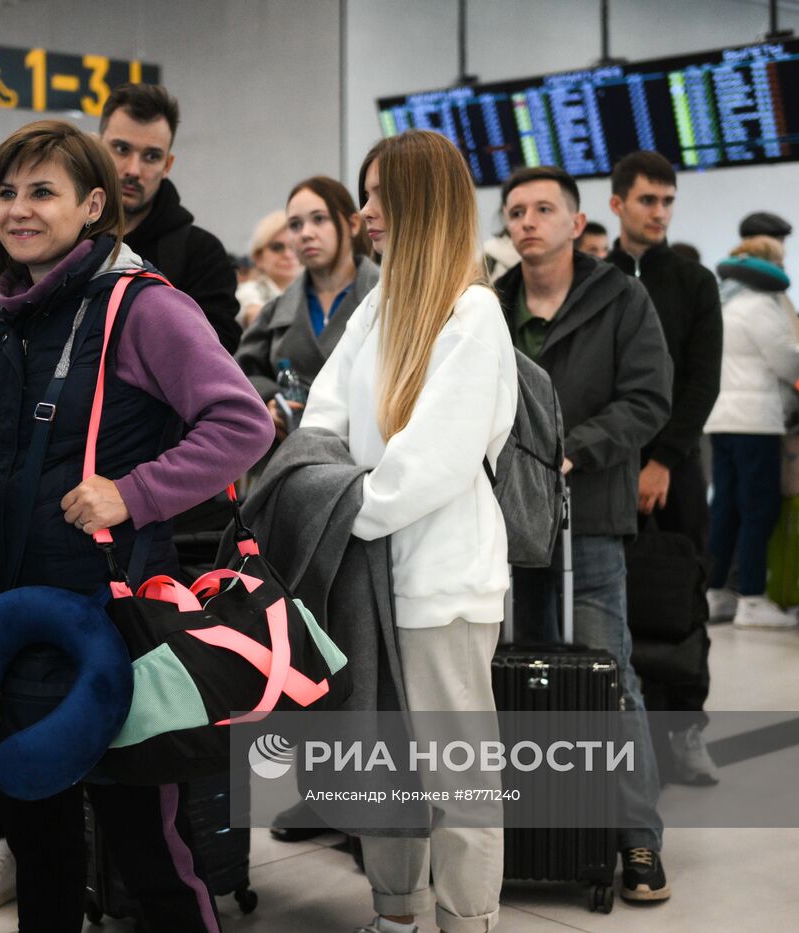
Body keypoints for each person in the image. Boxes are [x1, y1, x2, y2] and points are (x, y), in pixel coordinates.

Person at [0, 119, 272, 933]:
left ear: (93, 204)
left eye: (42, 192)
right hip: (15, 609)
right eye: (7, 194)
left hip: (111, 615)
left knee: (147, 849)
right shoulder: (8, 309)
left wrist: (134, 493)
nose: (18, 211)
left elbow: (241, 424)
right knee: (42, 842)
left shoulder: (143, 306)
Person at [294, 129, 516, 933]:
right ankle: (396, 913)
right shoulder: (378, 305)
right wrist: (336, 491)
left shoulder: (473, 312)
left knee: (459, 779)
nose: (366, 210)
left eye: (382, 193)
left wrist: (338, 505)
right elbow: (319, 422)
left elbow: (433, 464)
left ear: (425, 200)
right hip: (367, 577)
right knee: (380, 764)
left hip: (439, 586)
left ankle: (465, 919)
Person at [496, 165, 674, 904]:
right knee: (523, 675)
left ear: (576, 221)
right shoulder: (489, 305)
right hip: (507, 520)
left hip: (590, 514)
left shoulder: (621, 298)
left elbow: (650, 396)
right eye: (515, 211)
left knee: (605, 675)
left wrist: (575, 445)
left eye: (544, 208)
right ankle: (539, 829)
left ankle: (637, 836)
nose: (528, 221)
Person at [606, 150, 723, 785]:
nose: (659, 212)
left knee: (681, 600)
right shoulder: (596, 278)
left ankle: (683, 732)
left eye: (667, 201)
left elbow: (701, 383)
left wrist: (663, 461)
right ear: (617, 203)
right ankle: (624, 732)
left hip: (674, 472)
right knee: (615, 601)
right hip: (607, 471)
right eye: (647, 200)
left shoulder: (694, 283)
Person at [705, 237, 799, 629]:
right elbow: (787, 360)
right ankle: (751, 596)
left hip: (722, 418)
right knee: (758, 508)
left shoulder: (723, 300)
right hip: (755, 421)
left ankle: (716, 593)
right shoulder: (759, 305)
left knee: (726, 508)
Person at [98, 83, 240, 352]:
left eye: (151, 156)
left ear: (167, 165)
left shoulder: (202, 256)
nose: (133, 170)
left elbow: (213, 355)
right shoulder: (65, 241)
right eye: (121, 149)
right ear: (96, 147)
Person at [237, 176, 378, 442]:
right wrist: (269, 402)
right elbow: (243, 372)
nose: (305, 233)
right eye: (295, 225)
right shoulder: (276, 311)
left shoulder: (387, 297)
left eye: (319, 219)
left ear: (352, 224)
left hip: (364, 458)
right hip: (291, 459)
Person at [235, 209, 300, 328]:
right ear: (258, 257)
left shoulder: (313, 292)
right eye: (277, 247)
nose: (288, 255)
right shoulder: (249, 292)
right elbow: (257, 319)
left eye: (294, 246)